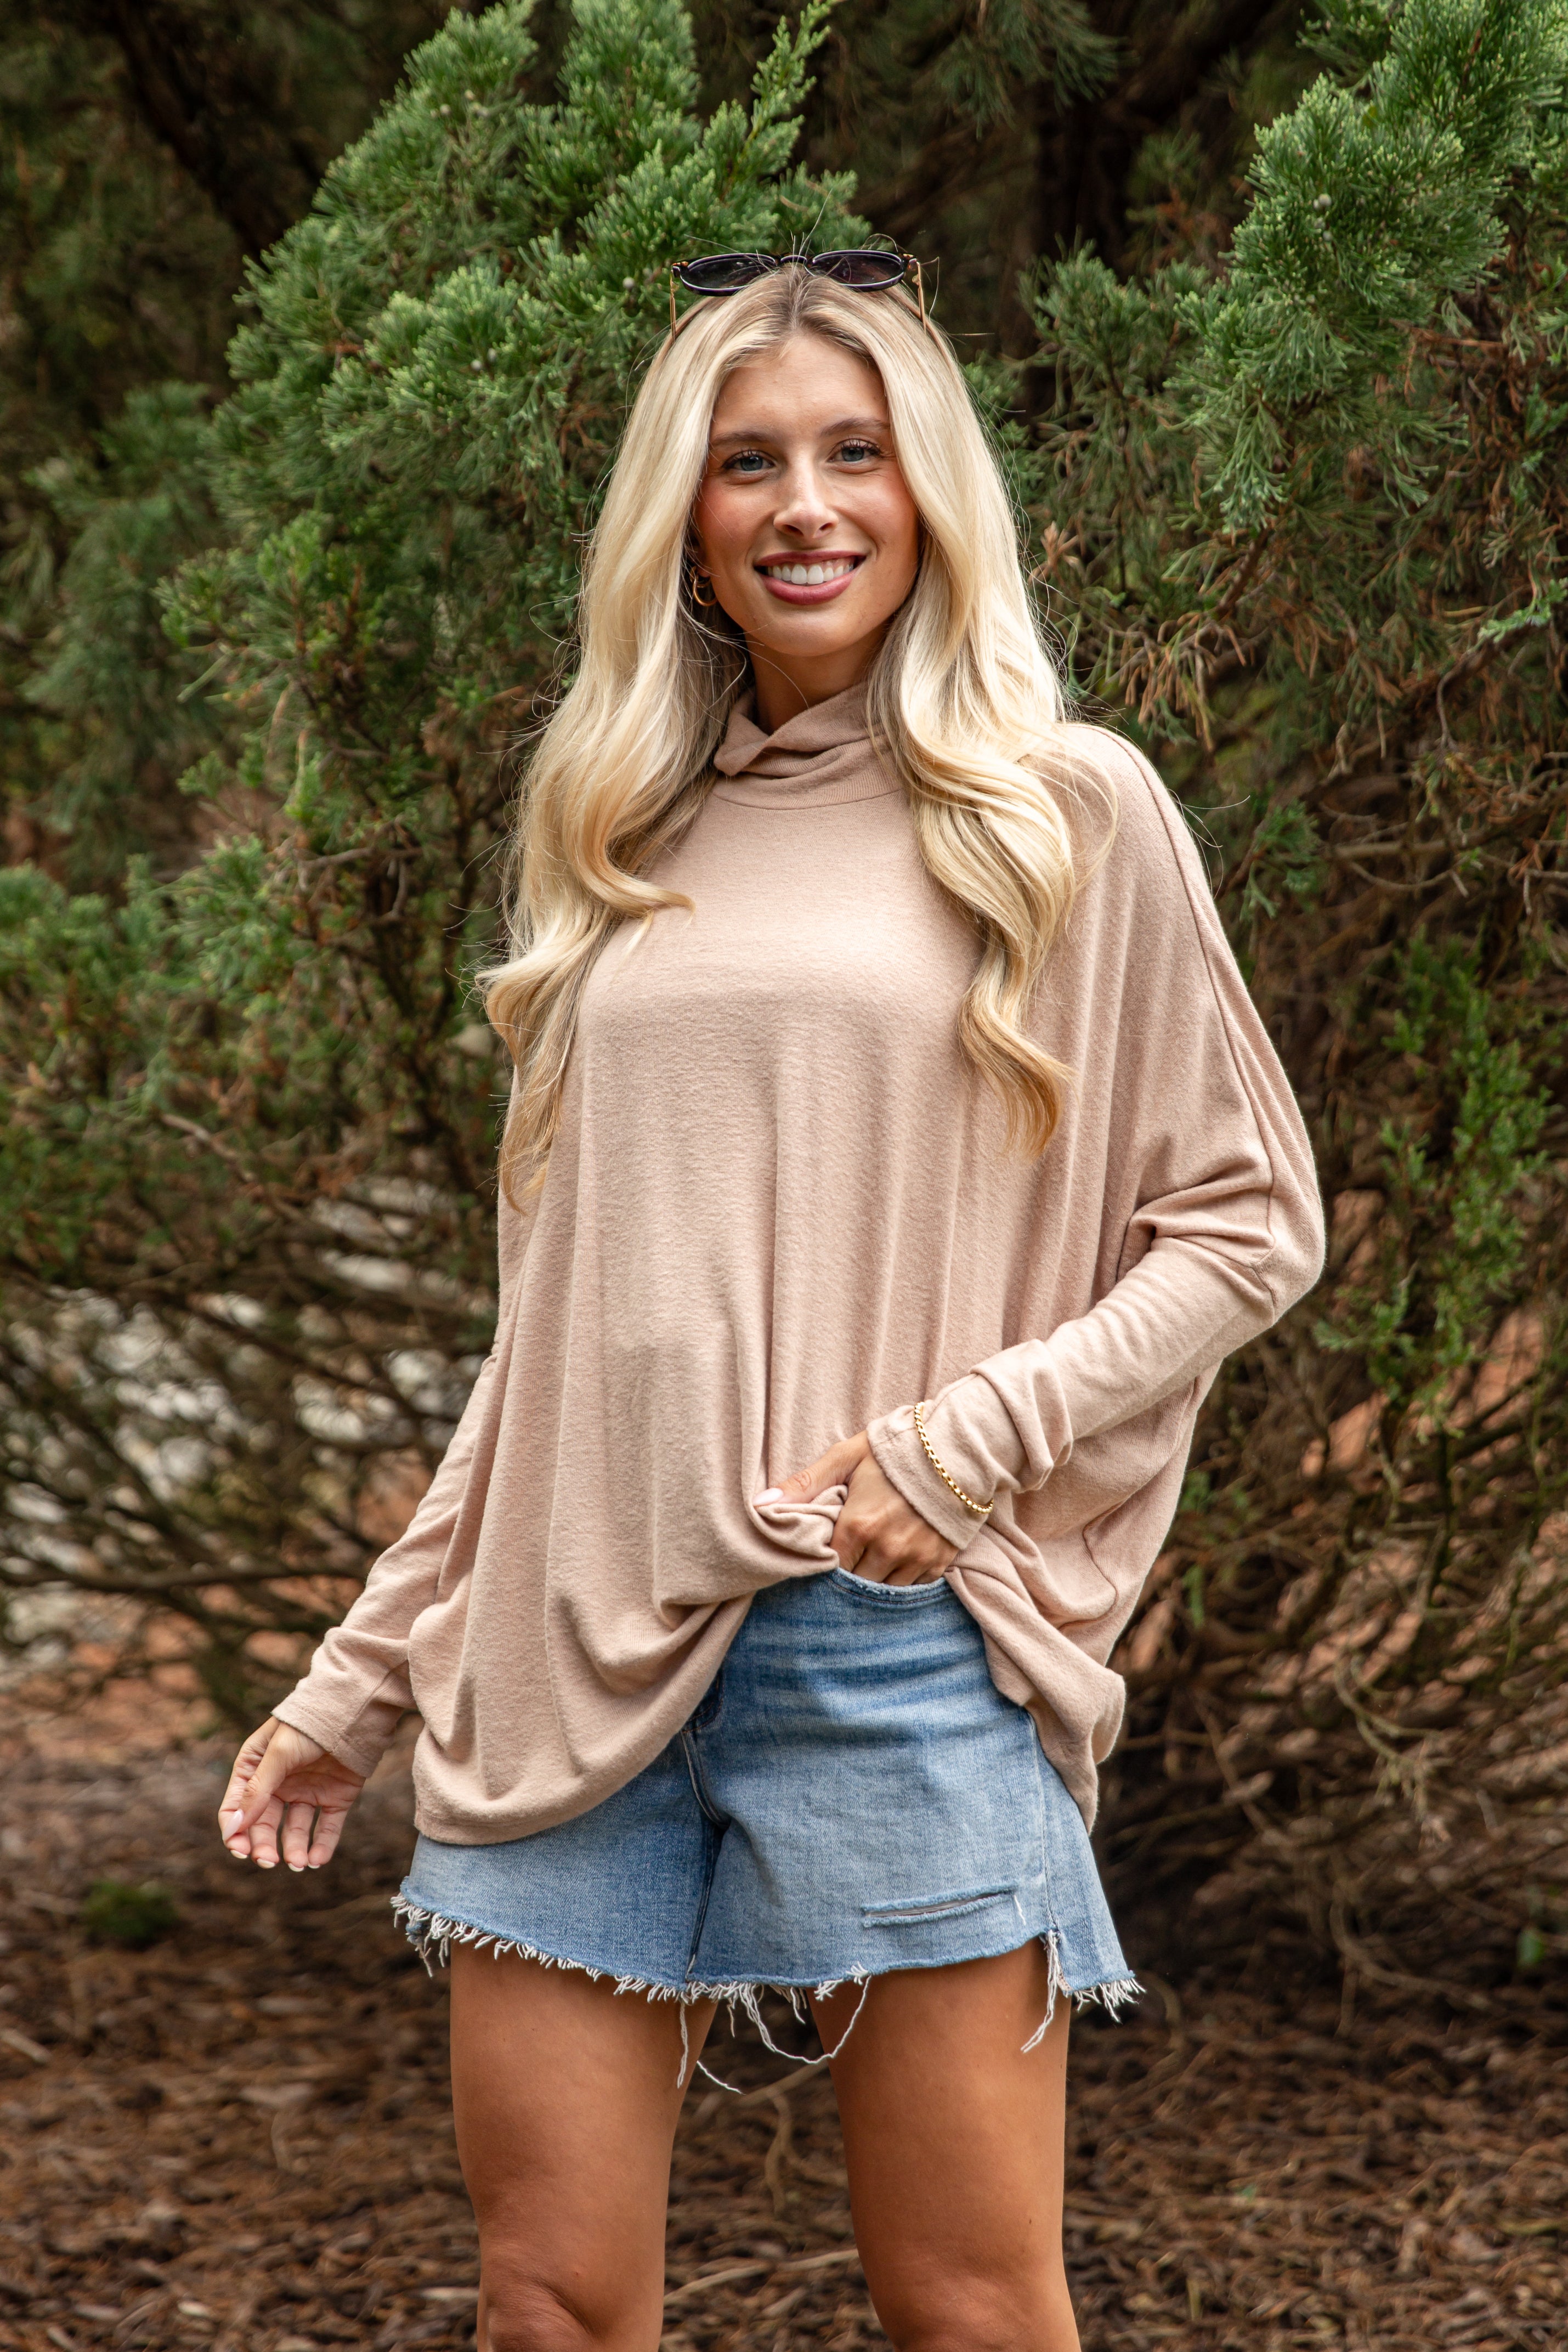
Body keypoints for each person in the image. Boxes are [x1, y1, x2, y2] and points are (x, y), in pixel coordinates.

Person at [218, 252, 1324, 2352]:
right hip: (561, 1647)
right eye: (747, 463)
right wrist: (358, 1677)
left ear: (929, 494)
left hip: (884, 1638)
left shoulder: (1060, 809)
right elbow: (555, 1341)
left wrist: (964, 1443)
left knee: (968, 2305)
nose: (804, 506)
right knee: (543, 2301)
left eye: (854, 453)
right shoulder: (617, 831)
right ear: (686, 516)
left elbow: (1247, 1222)